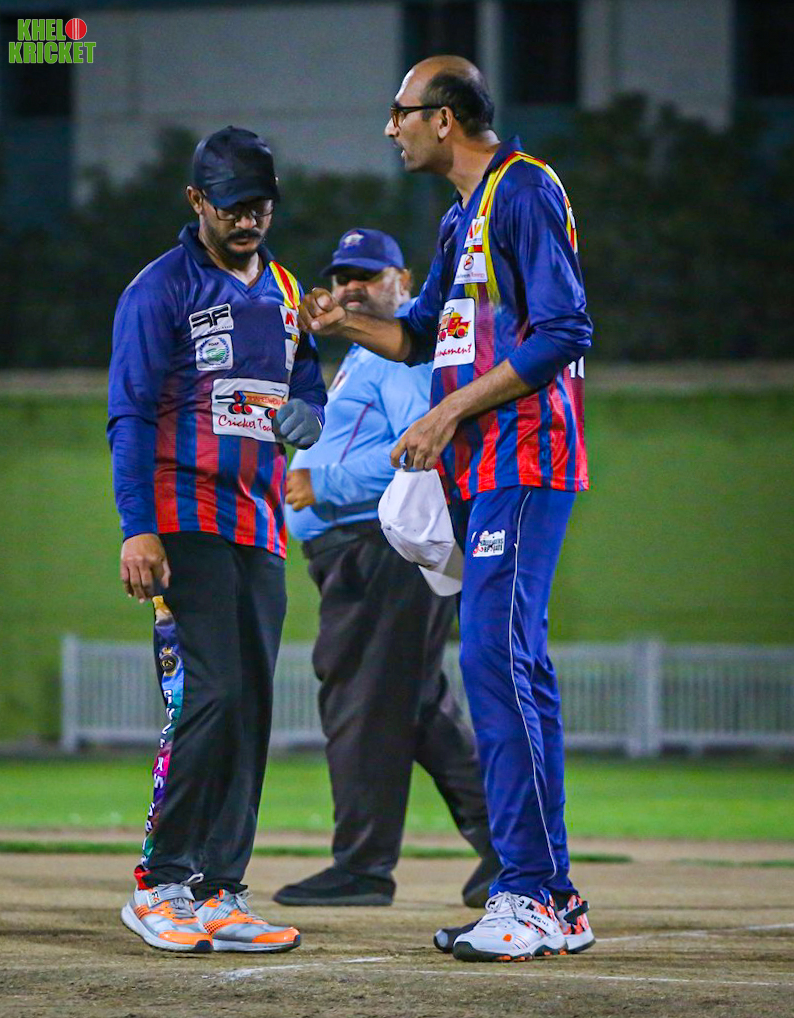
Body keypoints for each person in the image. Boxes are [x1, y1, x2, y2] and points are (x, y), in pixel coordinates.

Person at [298, 57, 596, 963]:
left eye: (402, 111)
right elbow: (421, 332)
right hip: (486, 469)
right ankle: (551, 896)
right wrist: (343, 322)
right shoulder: (461, 215)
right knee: (509, 665)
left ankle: (527, 894)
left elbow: (566, 328)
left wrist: (446, 411)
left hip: (526, 459)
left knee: (499, 662)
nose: (390, 127)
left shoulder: (524, 189)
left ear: (446, 118)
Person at [107, 126, 327, 954]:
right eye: (233, 207)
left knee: (253, 703)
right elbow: (129, 414)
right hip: (182, 519)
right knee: (212, 692)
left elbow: (308, 387)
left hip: (259, 524)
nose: (248, 221)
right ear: (197, 200)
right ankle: (161, 882)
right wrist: (138, 528)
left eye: (260, 206)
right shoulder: (158, 289)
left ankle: (221, 890)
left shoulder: (286, 290)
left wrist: (311, 414)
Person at [272, 228, 500, 909]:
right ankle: (509, 847)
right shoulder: (362, 356)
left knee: (362, 704)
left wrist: (324, 482)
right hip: (368, 552)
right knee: (417, 706)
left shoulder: (400, 354)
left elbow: (426, 443)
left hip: (377, 550)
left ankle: (363, 866)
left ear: (403, 281)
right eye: (342, 276)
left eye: (368, 275)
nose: (351, 287)